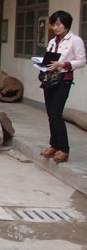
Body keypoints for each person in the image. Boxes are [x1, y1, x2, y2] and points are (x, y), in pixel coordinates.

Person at [39, 10, 86, 163]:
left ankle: (64, 149)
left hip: (63, 80)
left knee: (56, 113)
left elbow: (82, 61)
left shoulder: (75, 40)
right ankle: (54, 145)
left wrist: (62, 64)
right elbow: (49, 58)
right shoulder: (53, 41)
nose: (55, 27)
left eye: (58, 24)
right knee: (50, 114)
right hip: (49, 79)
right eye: (53, 24)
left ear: (66, 24)